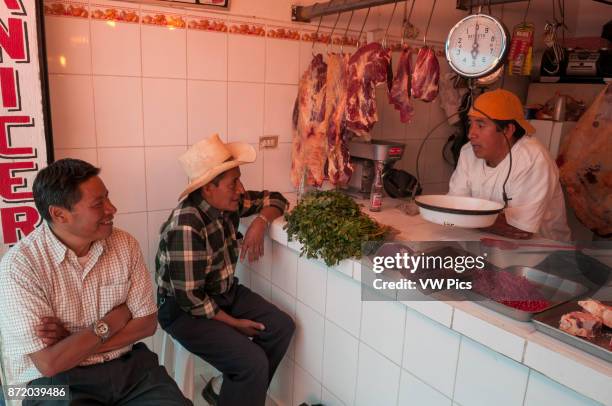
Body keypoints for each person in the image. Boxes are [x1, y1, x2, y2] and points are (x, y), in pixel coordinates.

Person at [0, 159, 191, 406]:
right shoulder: (19, 266)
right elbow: (49, 363)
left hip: (127, 367)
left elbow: (146, 325)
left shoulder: (125, 245)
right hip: (42, 384)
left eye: (107, 198)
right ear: (59, 214)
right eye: (98, 204)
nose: (112, 208)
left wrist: (71, 341)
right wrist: (113, 320)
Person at [156, 134, 295, 406]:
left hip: (223, 293)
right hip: (183, 311)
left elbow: (275, 199)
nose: (241, 189)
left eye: (239, 179)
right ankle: (241, 387)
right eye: (234, 183)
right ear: (208, 188)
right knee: (251, 362)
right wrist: (235, 325)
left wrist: (260, 223)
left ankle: (231, 392)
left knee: (281, 327)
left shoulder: (227, 204)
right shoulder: (187, 225)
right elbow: (191, 299)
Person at [448, 89, 571, 241]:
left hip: (544, 252)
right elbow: (453, 207)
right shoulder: (468, 152)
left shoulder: (533, 159)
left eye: (480, 125)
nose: (470, 134)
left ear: (507, 130)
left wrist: (465, 217)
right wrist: (487, 221)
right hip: (489, 244)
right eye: (470, 124)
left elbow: (521, 230)